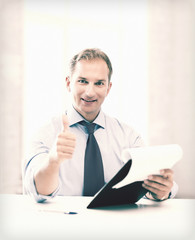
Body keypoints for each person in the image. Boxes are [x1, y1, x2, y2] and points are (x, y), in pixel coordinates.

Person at [23, 48, 178, 202]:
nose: (90, 92)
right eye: (83, 81)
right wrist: (53, 161)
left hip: (115, 224)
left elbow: (145, 185)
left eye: (99, 83)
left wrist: (159, 191)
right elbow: (39, 191)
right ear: (69, 83)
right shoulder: (44, 135)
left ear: (108, 88)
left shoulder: (129, 137)